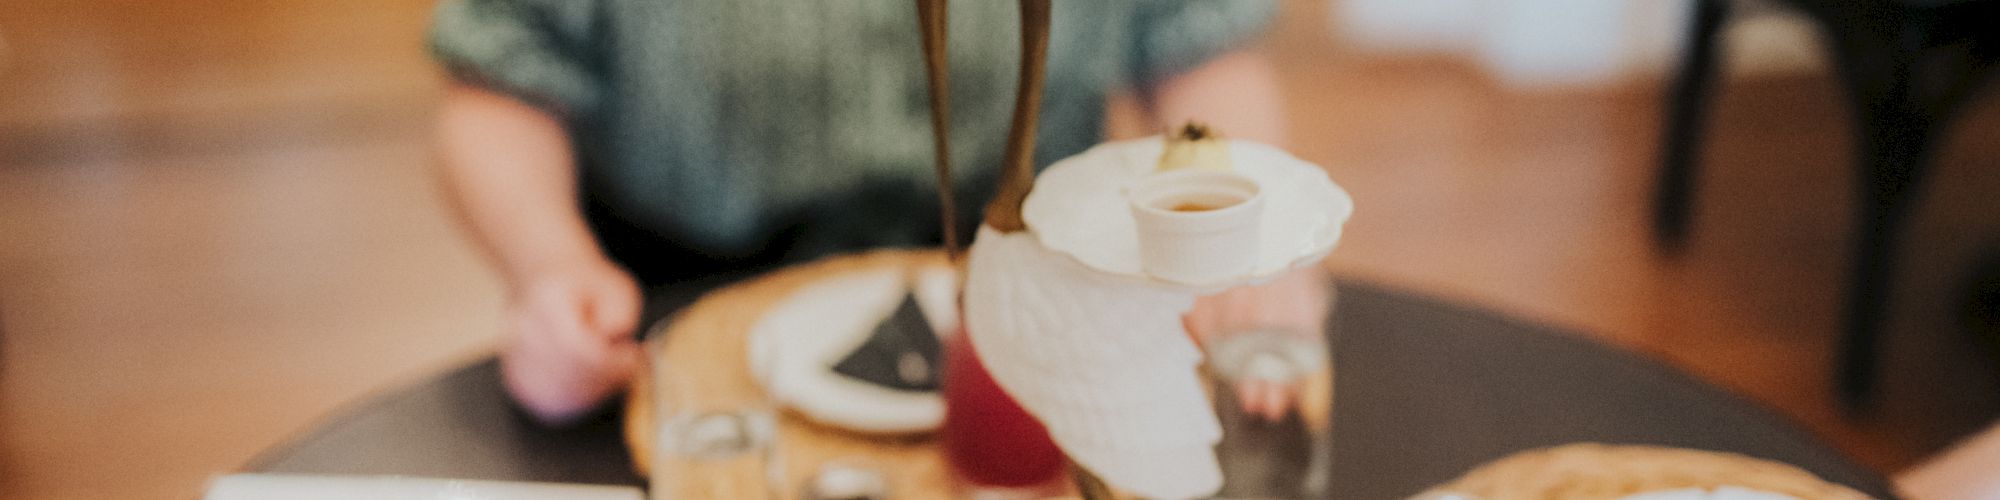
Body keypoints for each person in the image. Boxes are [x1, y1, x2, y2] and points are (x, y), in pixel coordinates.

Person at [427, 0, 1326, 424]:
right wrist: (550, 268)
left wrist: (1245, 237)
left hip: (1035, 309)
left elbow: (1197, 48)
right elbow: (499, 83)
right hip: (676, 310)